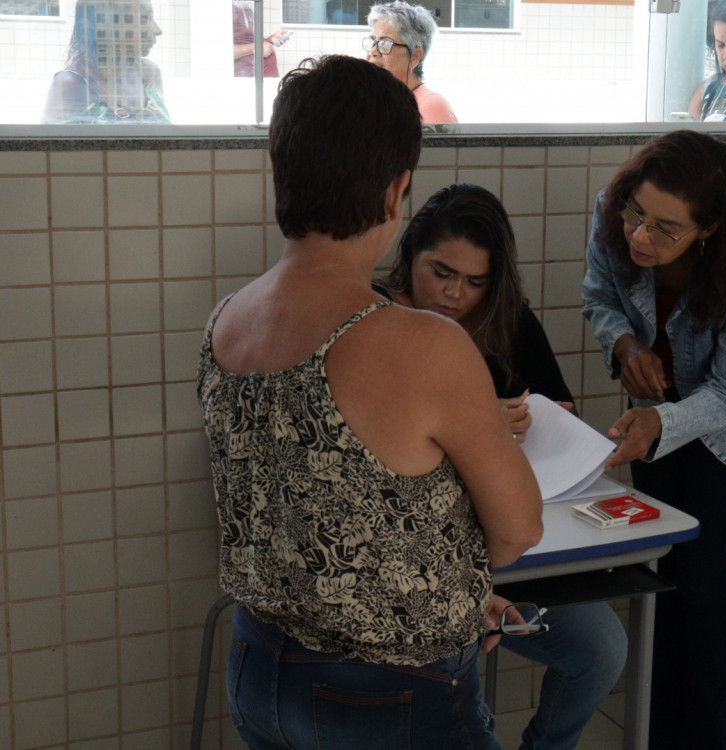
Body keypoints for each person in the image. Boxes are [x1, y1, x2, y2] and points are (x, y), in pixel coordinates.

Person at [196, 55, 542, 749]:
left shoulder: (225, 321)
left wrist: (451, 588)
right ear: (396, 191)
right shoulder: (423, 344)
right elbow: (517, 531)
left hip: (258, 667)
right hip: (388, 691)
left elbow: (313, 517)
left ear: (281, 171)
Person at [375, 182, 627, 750]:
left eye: (475, 282)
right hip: (416, 558)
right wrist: (472, 420)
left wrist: (546, 423)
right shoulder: (375, 319)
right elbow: (370, 440)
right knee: (453, 672)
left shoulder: (507, 322)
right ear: (409, 253)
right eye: (441, 273)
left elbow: (560, 411)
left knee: (602, 649)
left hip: (511, 542)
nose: (454, 294)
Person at [581, 130, 726, 749]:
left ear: (708, 229)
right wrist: (625, 345)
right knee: (661, 579)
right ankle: (659, 732)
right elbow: (599, 297)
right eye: (637, 215)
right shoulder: (612, 214)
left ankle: (710, 739)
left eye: (666, 229)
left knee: (704, 587)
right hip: (657, 420)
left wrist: (661, 423)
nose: (640, 237)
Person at [43, 0, 169, 123]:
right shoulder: (71, 84)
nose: (158, 30)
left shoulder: (148, 72)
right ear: (111, 26)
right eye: (145, 18)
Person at [365, 1, 457, 124]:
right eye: (372, 42)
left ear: (414, 57)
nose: (373, 52)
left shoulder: (431, 106)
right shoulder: (382, 104)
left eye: (385, 43)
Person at [233, 0, 289, 78]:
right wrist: (258, 48)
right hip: (248, 80)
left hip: (265, 78)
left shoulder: (248, 9)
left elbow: (248, 41)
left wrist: (269, 40)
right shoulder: (228, 10)